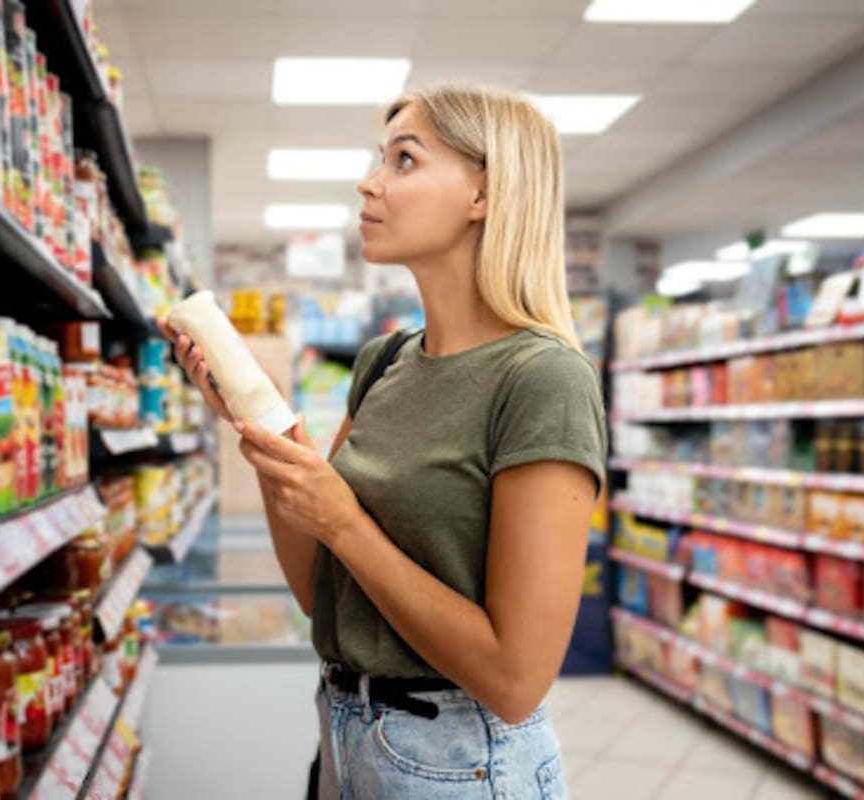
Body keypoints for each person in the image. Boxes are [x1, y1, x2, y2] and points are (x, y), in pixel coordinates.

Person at [158, 82, 606, 799]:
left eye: (404, 160)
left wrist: (343, 517)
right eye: (379, 159)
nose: (369, 183)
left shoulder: (544, 379)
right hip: (343, 730)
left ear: (483, 195)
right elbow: (320, 591)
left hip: (458, 759)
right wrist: (263, 424)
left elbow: (516, 679)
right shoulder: (385, 361)